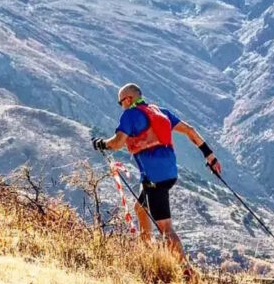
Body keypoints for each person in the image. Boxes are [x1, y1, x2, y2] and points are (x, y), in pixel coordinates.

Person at [92, 83, 222, 267]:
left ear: (128, 100)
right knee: (140, 208)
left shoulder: (130, 114)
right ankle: (148, 255)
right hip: (168, 173)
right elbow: (190, 130)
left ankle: (186, 273)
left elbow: (117, 142)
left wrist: (101, 143)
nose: (121, 106)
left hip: (155, 178)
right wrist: (210, 156)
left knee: (165, 228)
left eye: (120, 102)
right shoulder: (160, 111)